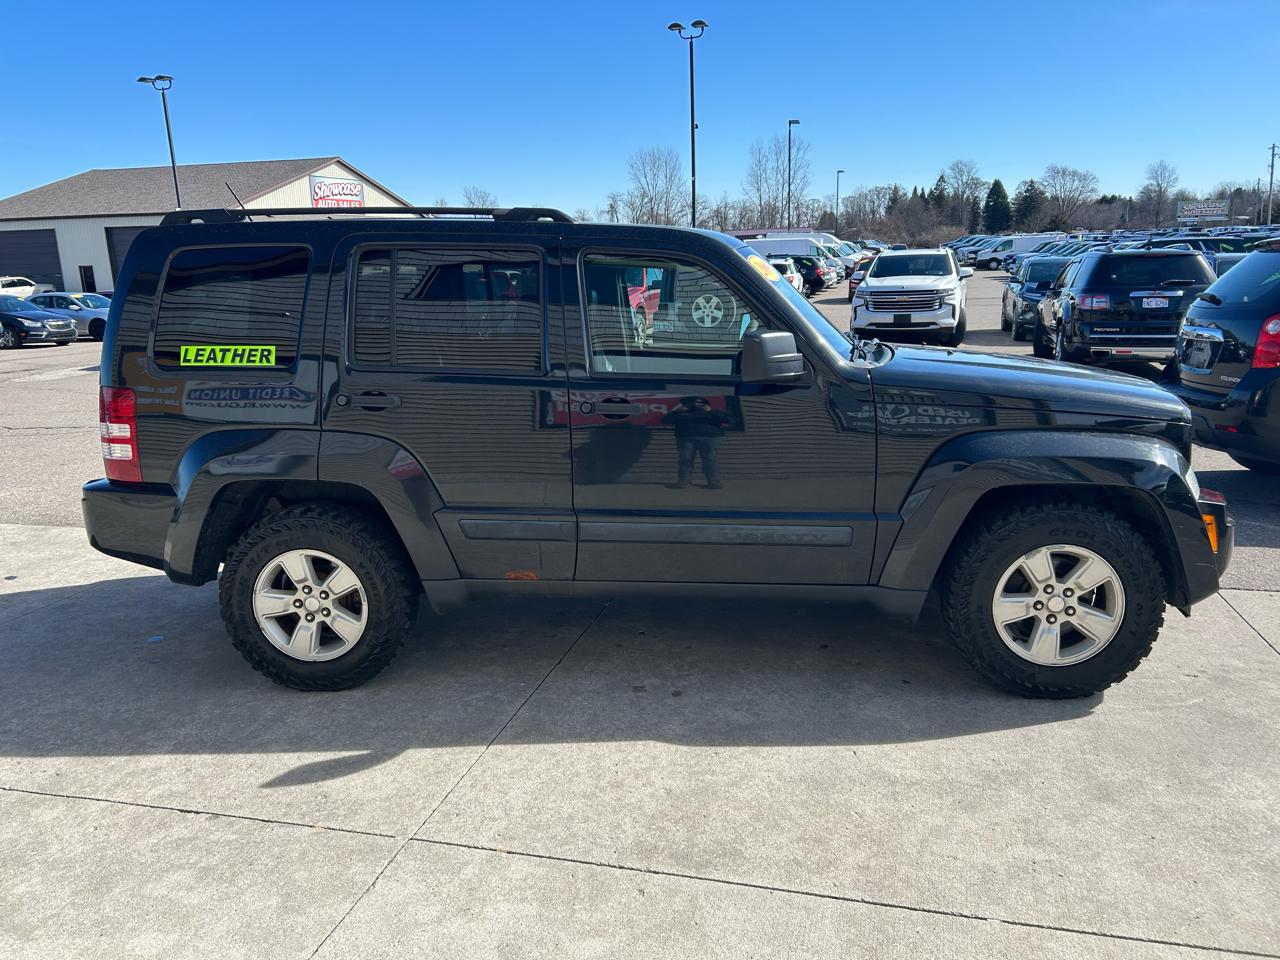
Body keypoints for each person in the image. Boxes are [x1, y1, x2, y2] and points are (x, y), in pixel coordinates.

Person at [661, 396, 730, 489]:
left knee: (710, 458)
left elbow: (729, 420)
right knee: (685, 458)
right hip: (686, 437)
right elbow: (665, 420)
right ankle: (684, 480)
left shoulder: (712, 412)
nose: (696, 406)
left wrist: (710, 411)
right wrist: (676, 411)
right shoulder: (681, 412)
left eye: (700, 404)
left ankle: (714, 481)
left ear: (705, 404)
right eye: (691, 404)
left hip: (710, 437)